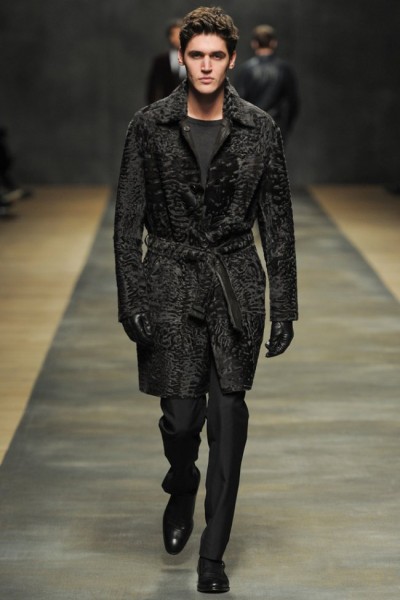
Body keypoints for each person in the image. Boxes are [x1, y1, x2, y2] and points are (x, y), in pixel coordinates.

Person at [114, 6, 298, 594]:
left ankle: (212, 556)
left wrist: (285, 305)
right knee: (180, 419)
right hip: (169, 279)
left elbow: (277, 222)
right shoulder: (149, 126)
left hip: (236, 282)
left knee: (228, 419)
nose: (207, 65)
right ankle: (181, 480)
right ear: (182, 57)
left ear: (232, 59)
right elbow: (127, 221)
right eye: (197, 55)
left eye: (217, 55)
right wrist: (130, 297)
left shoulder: (259, 127)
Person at [235, 24, 300, 143]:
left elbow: (238, 104)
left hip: (252, 128)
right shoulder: (284, 69)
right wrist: (286, 127)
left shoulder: (246, 70)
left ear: (254, 44)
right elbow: (293, 103)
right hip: (275, 127)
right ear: (273, 43)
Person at [146, 18, 186, 104]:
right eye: (175, 35)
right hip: (167, 106)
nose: (178, 38)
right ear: (170, 38)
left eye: (180, 34)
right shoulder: (160, 61)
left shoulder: (195, 59)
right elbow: (153, 89)